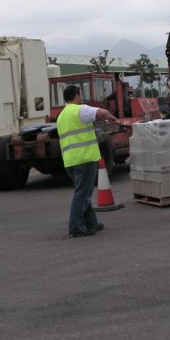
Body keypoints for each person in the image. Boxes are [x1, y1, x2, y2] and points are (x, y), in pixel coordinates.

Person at [57, 84, 119, 238]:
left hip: (70, 161)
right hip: (85, 158)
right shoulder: (80, 110)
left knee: (83, 192)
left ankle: (91, 223)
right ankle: (76, 227)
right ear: (77, 96)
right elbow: (101, 112)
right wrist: (111, 117)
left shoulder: (61, 116)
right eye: (79, 94)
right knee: (82, 194)